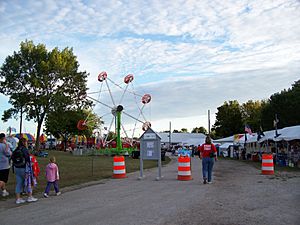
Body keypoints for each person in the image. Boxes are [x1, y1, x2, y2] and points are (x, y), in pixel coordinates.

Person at [12, 138, 38, 204]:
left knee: (19, 183)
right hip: (24, 168)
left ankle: (18, 199)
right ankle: (29, 196)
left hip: (16, 168)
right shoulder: (24, 149)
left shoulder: (16, 149)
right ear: (24, 142)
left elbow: (12, 157)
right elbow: (27, 159)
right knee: (29, 182)